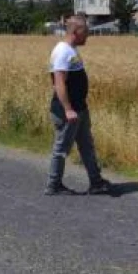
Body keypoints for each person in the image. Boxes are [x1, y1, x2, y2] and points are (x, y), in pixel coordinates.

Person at [45, 15, 113, 196]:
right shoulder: (62, 51)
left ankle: (96, 182)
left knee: (87, 146)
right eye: (86, 32)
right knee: (61, 149)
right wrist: (67, 109)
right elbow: (59, 83)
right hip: (68, 111)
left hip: (79, 108)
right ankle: (54, 184)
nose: (88, 36)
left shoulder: (71, 50)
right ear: (76, 31)